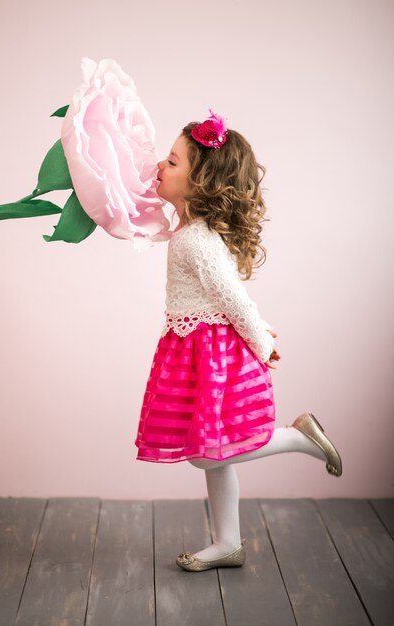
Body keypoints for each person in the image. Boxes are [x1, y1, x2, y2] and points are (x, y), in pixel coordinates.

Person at [134, 109, 342, 572]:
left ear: (200, 181)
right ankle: (228, 542)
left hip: (212, 355)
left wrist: (261, 341)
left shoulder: (195, 241)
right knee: (214, 449)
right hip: (196, 347)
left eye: (171, 161)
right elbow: (229, 294)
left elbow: (232, 298)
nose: (159, 167)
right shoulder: (189, 233)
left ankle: (297, 438)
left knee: (210, 452)